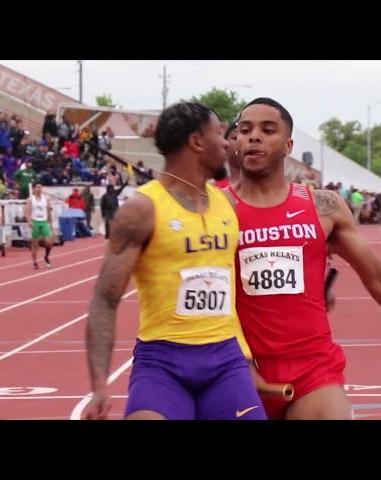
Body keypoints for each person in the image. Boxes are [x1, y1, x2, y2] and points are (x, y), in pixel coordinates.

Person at [228, 97, 381, 419]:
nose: (254, 136)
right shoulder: (217, 210)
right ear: (236, 141)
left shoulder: (324, 207)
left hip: (313, 368)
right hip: (237, 370)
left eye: (268, 130)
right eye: (245, 129)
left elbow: (377, 278)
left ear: (288, 145)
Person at [84, 102, 266, 420]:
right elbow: (105, 299)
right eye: (220, 134)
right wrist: (100, 385)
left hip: (225, 360)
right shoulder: (142, 210)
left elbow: (235, 286)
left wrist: (247, 358)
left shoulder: (227, 205)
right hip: (163, 363)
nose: (228, 143)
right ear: (197, 142)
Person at [25, 183, 54, 269]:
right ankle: (35, 262)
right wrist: (29, 221)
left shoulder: (46, 199)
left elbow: (49, 211)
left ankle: (46, 256)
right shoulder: (30, 199)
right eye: (37, 187)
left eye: (41, 187)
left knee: (48, 242)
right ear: (34, 189)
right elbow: (27, 211)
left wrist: (51, 223)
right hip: (35, 222)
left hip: (44, 222)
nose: (39, 189)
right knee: (35, 244)